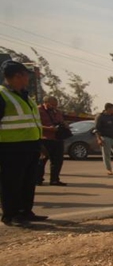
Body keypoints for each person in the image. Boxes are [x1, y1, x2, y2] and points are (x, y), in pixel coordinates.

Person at [0, 60, 48, 226]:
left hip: (30, 145)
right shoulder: (2, 95)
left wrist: (39, 143)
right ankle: (10, 214)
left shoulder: (25, 96)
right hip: (11, 148)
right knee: (12, 182)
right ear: (18, 75)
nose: (29, 78)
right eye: (26, 74)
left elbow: (32, 122)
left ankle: (26, 211)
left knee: (28, 181)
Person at [37, 96, 68, 186]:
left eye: (56, 105)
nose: (54, 107)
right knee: (41, 161)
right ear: (46, 102)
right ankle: (38, 179)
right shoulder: (38, 110)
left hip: (57, 138)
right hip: (44, 139)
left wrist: (64, 125)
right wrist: (49, 128)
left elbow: (61, 121)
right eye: (52, 105)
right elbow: (36, 124)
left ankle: (54, 180)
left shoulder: (57, 112)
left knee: (57, 161)